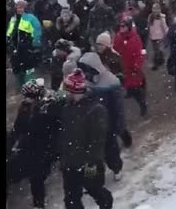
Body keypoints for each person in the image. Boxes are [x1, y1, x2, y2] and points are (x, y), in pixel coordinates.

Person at [59, 69, 113, 209]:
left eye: (68, 90)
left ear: (76, 91)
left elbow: (97, 141)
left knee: (95, 190)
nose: (66, 93)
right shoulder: (67, 107)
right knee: (71, 199)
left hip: (87, 164)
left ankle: (106, 204)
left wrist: (91, 164)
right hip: (69, 163)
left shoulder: (96, 110)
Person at [6, 79, 62, 209]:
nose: (25, 99)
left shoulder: (48, 109)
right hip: (29, 147)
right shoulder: (25, 107)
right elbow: (18, 128)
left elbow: (53, 132)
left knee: (36, 176)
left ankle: (39, 203)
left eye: (28, 97)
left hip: (43, 149)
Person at [78, 52, 128, 180]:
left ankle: (116, 168)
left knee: (110, 149)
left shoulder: (110, 82)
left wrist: (119, 125)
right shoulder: (85, 81)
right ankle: (94, 178)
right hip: (93, 124)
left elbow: (118, 107)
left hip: (108, 123)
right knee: (92, 153)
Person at [113, 20, 148, 117]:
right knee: (128, 85)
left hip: (133, 68)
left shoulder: (135, 38)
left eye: (124, 26)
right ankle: (134, 93)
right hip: (124, 67)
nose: (122, 28)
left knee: (135, 88)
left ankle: (143, 104)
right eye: (121, 26)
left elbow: (138, 53)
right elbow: (115, 50)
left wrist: (136, 65)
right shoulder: (118, 37)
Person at [6, 1, 43, 89]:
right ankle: (21, 88)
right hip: (15, 48)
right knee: (17, 70)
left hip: (27, 48)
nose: (19, 9)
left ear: (25, 8)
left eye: (21, 7)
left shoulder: (31, 18)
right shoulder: (13, 19)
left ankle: (31, 89)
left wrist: (35, 44)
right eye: (18, 7)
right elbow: (9, 31)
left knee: (29, 70)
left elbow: (37, 31)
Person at [148, 3, 169, 70]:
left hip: (159, 36)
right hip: (153, 36)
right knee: (156, 50)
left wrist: (168, 33)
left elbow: (164, 26)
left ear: (159, 10)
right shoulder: (150, 17)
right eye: (153, 8)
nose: (154, 10)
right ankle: (161, 60)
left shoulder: (161, 17)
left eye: (156, 9)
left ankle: (156, 64)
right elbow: (149, 26)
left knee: (157, 50)